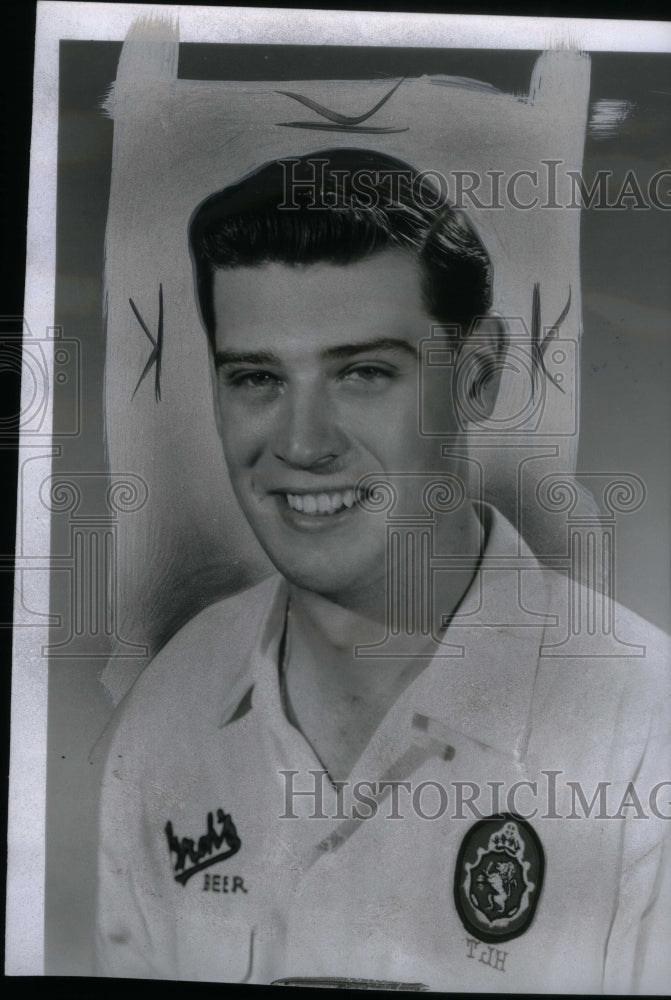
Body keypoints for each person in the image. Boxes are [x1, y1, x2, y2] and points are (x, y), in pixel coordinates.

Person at [95, 149, 670, 991]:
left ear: (477, 375)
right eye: (255, 377)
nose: (302, 442)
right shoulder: (166, 714)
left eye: (363, 373)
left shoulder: (646, 736)